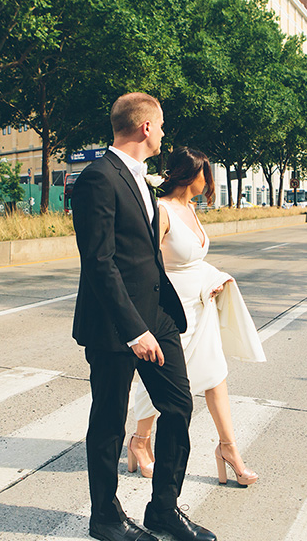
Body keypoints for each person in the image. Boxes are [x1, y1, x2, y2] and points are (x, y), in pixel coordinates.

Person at [71, 92, 216, 541]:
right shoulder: (98, 177)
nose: (165, 131)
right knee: (110, 422)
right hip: (116, 326)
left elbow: (146, 254)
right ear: (145, 128)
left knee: (178, 406)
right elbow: (100, 261)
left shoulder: (141, 179)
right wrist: (134, 330)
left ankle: (163, 509)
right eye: (162, 123)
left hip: (159, 316)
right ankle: (106, 519)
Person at [128, 147, 265, 489]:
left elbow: (192, 263)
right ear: (191, 176)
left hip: (200, 307)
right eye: (206, 173)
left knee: (216, 376)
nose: (209, 181)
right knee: (158, 383)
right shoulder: (162, 211)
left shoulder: (191, 209)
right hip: (169, 312)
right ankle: (140, 442)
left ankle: (229, 449)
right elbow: (148, 265)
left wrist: (214, 278)